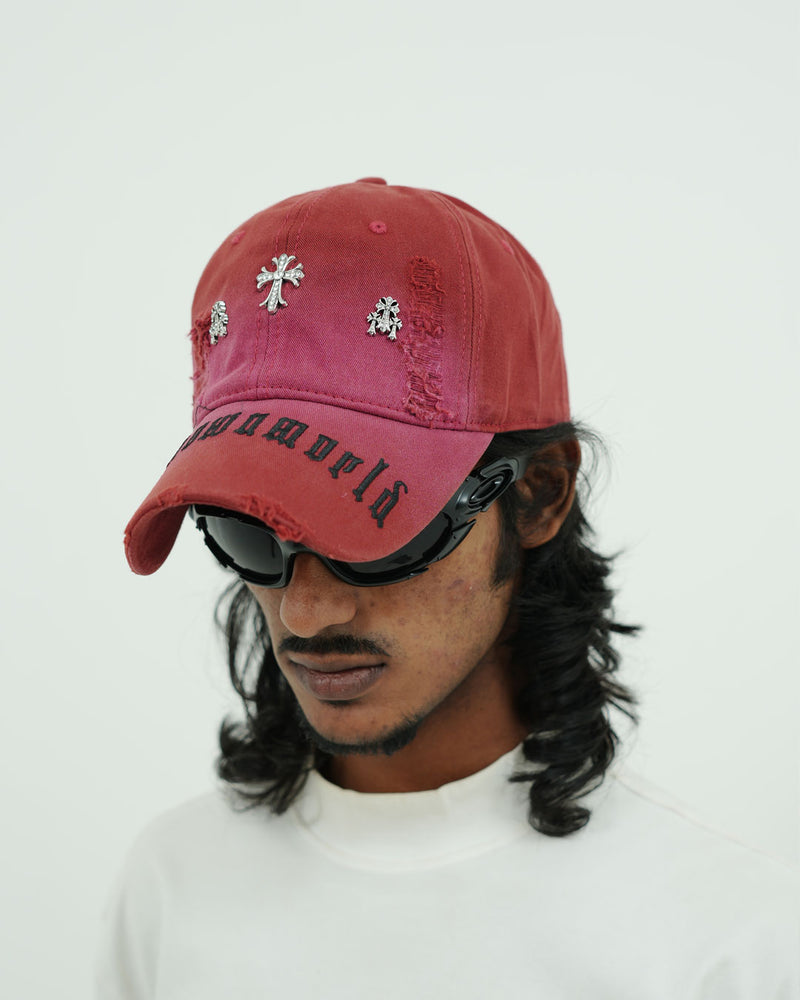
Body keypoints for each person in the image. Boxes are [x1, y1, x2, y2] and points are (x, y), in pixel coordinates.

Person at [97, 178, 798, 998]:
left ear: (540, 492)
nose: (306, 610)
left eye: (381, 526)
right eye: (248, 529)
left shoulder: (725, 939)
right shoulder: (173, 890)